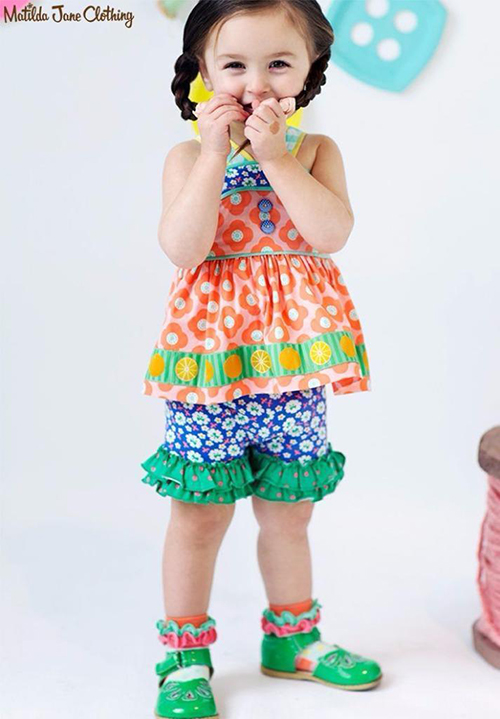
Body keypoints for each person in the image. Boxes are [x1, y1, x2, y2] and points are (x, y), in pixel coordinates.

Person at [141, 1, 382, 717]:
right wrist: (217, 154)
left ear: (310, 70)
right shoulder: (187, 158)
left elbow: (330, 233)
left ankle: (293, 639)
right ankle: (185, 657)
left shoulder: (314, 151)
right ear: (202, 72)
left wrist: (275, 157)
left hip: (295, 366)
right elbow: (184, 248)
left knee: (288, 512)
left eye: (278, 63)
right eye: (233, 65)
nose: (256, 84)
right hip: (212, 370)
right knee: (198, 514)